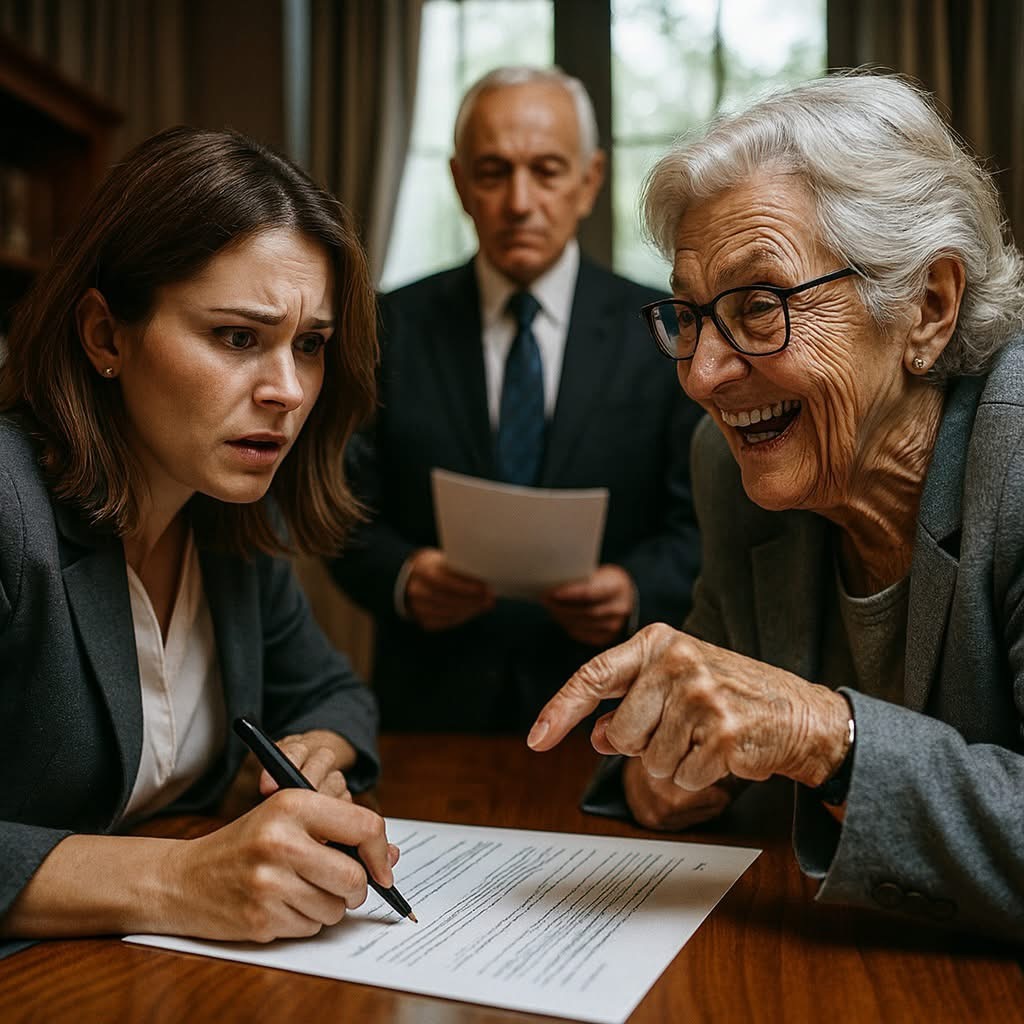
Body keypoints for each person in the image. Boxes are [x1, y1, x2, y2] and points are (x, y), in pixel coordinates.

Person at [528, 72, 1024, 939]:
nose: (703, 374)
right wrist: (667, 766)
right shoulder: (736, 471)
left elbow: (793, 734)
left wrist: (821, 736)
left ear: (928, 308)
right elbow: (713, 713)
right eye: (688, 318)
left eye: (760, 308)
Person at [0, 126, 399, 954]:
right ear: (106, 336)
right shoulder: (8, 506)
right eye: (237, 338)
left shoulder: (226, 522)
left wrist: (315, 754)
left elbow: (335, 694)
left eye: (311, 346)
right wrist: (178, 880)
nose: (288, 390)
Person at [329, 66, 702, 731]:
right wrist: (405, 578)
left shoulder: (664, 331)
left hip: (614, 720)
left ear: (590, 181)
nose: (520, 201)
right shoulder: (386, 326)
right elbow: (337, 509)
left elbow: (702, 523)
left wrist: (635, 590)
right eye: (494, 171)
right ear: (459, 182)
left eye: (547, 170)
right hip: (430, 712)